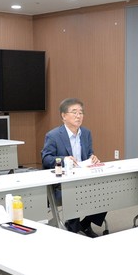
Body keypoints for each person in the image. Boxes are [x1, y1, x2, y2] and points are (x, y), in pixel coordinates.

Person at [41, 98, 107, 237]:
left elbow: (88, 154)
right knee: (74, 191)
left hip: (84, 178)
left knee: (106, 191)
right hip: (63, 183)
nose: (78, 116)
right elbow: (46, 159)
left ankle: (85, 224)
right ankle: (73, 228)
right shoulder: (53, 135)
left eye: (81, 113)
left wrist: (93, 158)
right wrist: (64, 160)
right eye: (74, 112)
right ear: (64, 116)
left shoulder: (86, 133)